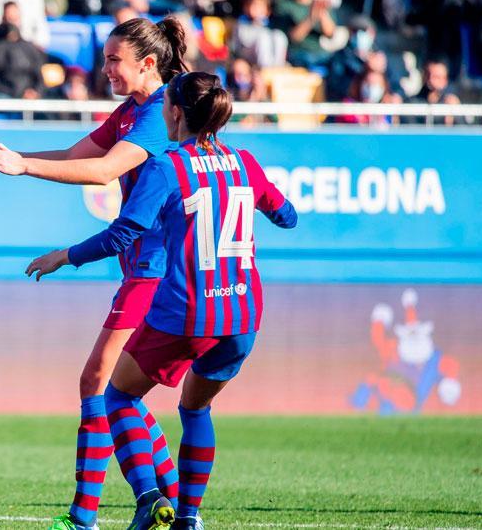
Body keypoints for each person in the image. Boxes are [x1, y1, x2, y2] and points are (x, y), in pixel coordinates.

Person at [24, 70, 297, 530]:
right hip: (243, 315)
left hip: (188, 310)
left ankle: (150, 498)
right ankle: (188, 519)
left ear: (174, 111)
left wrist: (64, 257)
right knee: (194, 409)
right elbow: (287, 216)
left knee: (119, 396)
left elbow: (124, 234)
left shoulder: (167, 166)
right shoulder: (245, 162)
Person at [0, 17, 189, 530]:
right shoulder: (131, 112)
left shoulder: (158, 114)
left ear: (147, 63)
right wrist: (11, 157)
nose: (105, 69)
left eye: (113, 60)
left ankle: (85, 517)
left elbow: (104, 171)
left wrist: (22, 167)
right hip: (145, 266)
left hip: (158, 267)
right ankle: (172, 500)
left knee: (97, 381)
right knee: (123, 392)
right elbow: (79, 155)